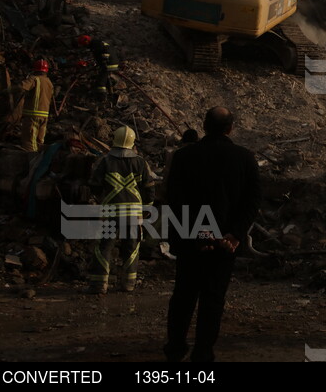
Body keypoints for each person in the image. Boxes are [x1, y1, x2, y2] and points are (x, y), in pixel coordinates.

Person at [164, 107, 260, 363]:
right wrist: (235, 234)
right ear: (230, 128)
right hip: (224, 243)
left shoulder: (184, 157)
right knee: (213, 299)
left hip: (191, 243)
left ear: (204, 126)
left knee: (183, 296)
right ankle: (203, 351)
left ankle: (175, 349)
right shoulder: (245, 158)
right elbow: (251, 202)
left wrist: (193, 236)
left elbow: (174, 200)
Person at [86, 126, 157, 294]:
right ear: (132, 143)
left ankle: (99, 285)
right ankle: (128, 284)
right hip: (133, 214)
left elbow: (94, 185)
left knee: (104, 246)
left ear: (114, 140)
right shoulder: (140, 162)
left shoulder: (105, 161)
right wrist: (147, 207)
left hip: (110, 212)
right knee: (131, 246)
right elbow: (149, 187)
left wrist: (101, 198)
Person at [15, 59, 53, 153]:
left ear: (35, 70)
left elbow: (21, 87)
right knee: (39, 142)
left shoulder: (34, 79)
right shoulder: (49, 82)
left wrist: (6, 91)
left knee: (29, 143)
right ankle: (39, 163)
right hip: (44, 116)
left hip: (33, 116)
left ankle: (30, 164)